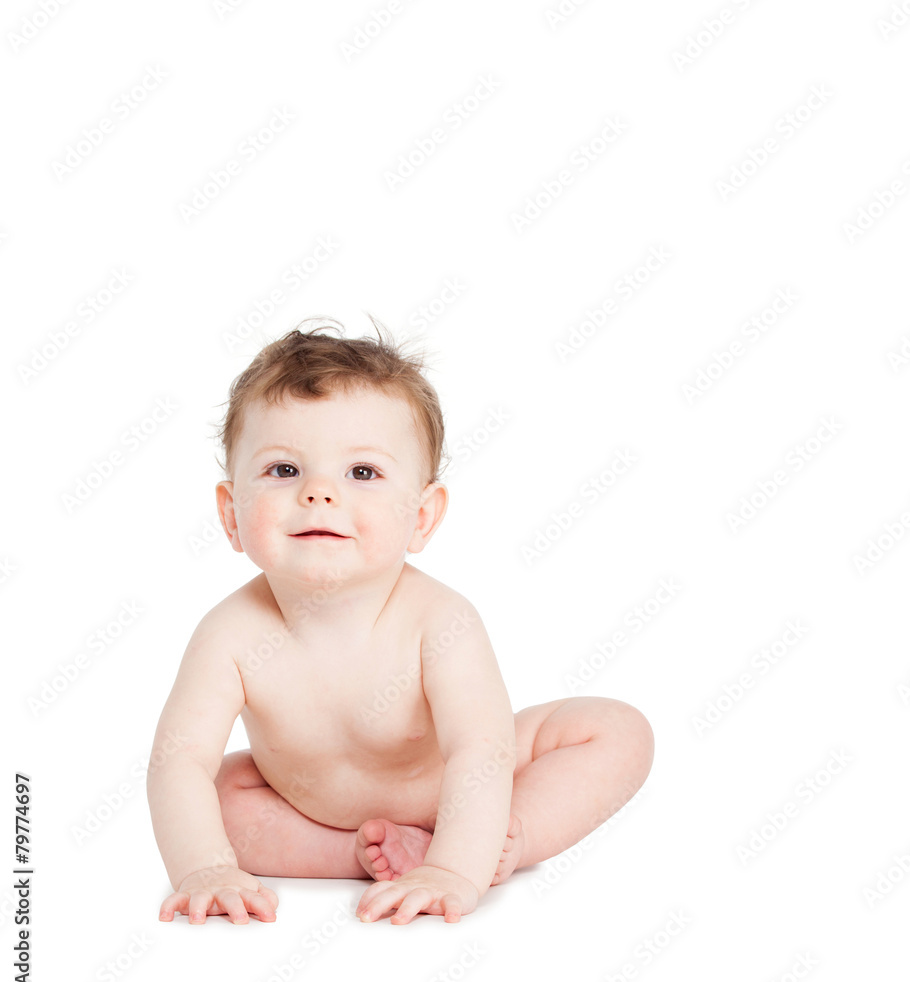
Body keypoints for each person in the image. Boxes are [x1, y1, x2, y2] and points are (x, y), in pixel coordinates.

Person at [147, 317, 653, 925]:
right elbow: (179, 760)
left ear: (422, 515)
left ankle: (508, 837)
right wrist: (204, 867)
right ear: (232, 514)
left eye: (362, 473)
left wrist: (454, 868)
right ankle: (362, 854)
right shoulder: (228, 635)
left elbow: (481, 749)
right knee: (219, 798)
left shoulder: (440, 620)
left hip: (463, 789)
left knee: (616, 731)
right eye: (284, 470)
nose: (319, 493)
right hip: (312, 811)